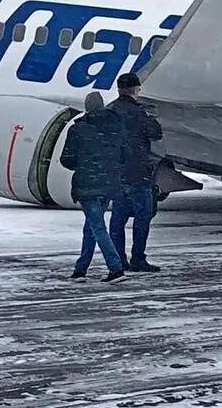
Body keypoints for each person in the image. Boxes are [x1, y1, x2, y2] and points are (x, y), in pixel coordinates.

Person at [59, 92, 128, 284]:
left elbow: (67, 159)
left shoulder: (79, 129)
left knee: (97, 227)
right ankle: (80, 269)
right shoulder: (116, 127)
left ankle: (116, 268)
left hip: (87, 184)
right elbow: (124, 156)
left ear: (87, 108)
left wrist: (82, 164)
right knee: (91, 226)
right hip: (109, 184)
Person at [108, 73, 164, 273]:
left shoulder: (110, 110)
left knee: (117, 219)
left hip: (117, 172)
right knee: (143, 216)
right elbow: (156, 134)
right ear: (136, 90)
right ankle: (138, 258)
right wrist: (152, 117)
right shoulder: (139, 113)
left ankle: (118, 259)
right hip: (138, 172)